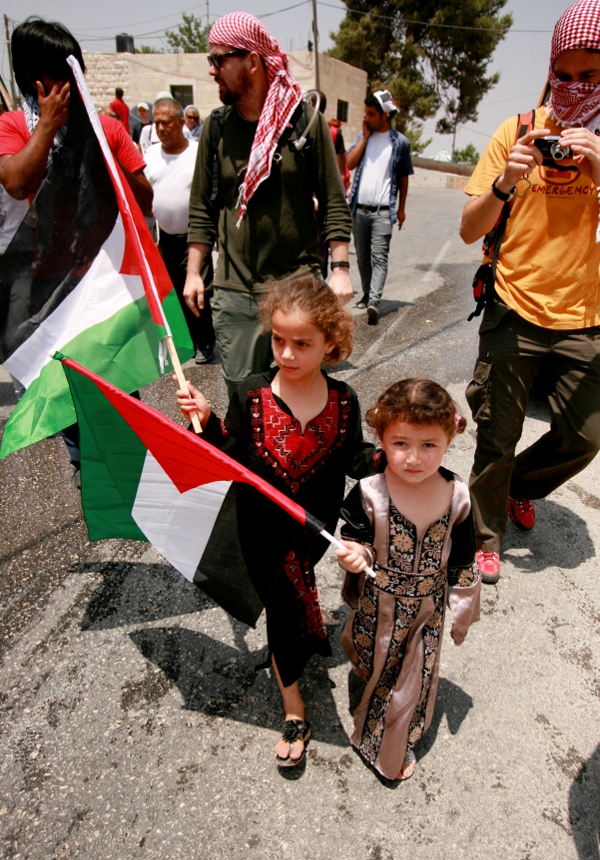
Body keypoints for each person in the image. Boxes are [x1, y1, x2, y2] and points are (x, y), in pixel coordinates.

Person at [176, 277, 379, 768]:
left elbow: (354, 459)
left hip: (314, 530)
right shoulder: (250, 393)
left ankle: (300, 645)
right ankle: (293, 706)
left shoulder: (345, 399)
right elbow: (232, 454)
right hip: (260, 528)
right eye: (278, 340)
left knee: (293, 595)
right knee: (284, 607)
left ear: (331, 342)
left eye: (302, 343)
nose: (287, 353)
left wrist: (389, 456)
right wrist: (207, 421)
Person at [459, 0, 600, 585]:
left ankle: (516, 484)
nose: (575, 87)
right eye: (563, 75)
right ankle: (486, 533)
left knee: (586, 436)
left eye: (590, 76)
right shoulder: (517, 130)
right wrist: (505, 181)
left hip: (585, 317)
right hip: (513, 306)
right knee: (497, 431)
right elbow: (469, 229)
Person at [0, 16, 152, 482]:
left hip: (96, 280)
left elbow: (144, 199)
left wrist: (100, 152)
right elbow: (17, 181)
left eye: (77, 70)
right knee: (57, 390)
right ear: (35, 80)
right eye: (63, 73)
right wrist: (49, 125)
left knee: (116, 384)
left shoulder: (106, 128)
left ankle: (125, 471)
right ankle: (91, 469)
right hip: (38, 287)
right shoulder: (12, 126)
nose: (75, 81)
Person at [184, 12, 353, 397]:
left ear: (252, 61)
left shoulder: (305, 123)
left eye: (219, 59)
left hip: (296, 287)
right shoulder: (216, 127)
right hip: (235, 290)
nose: (212, 70)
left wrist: (341, 269)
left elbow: (333, 200)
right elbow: (201, 208)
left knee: (297, 396)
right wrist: (194, 272)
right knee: (244, 399)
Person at [336, 379, 481, 782]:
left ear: (449, 440)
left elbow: (463, 558)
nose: (414, 458)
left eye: (428, 445)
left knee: (408, 681)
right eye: (400, 443)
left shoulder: (458, 495)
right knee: (376, 664)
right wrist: (354, 555)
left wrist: (462, 609)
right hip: (377, 608)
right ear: (381, 440)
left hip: (426, 614)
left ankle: (388, 744)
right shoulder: (369, 492)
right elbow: (355, 538)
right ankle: (372, 687)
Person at [144, 97, 215, 364]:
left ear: (181, 122)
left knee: (197, 290)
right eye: (156, 123)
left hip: (194, 238)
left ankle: (205, 340)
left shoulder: (196, 152)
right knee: (173, 290)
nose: (161, 128)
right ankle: (187, 340)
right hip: (165, 238)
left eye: (166, 122)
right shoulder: (152, 154)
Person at [347, 90, 414, 325]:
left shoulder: (400, 143)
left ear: (385, 115)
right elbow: (349, 163)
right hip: (359, 209)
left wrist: (401, 208)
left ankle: (374, 301)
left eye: (371, 113)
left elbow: (404, 177)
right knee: (362, 258)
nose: (365, 117)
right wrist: (364, 138)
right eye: (365, 112)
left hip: (383, 211)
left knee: (379, 258)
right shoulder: (363, 137)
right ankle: (367, 294)